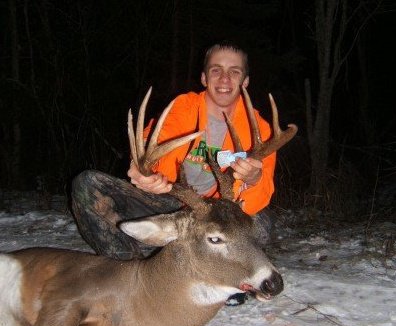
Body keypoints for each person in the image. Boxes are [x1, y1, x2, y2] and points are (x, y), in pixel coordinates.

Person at [71, 41, 275, 260]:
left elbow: (259, 197)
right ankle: (128, 268)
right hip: (171, 203)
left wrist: (254, 179)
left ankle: (204, 262)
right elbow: (153, 142)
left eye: (234, 72)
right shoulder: (182, 108)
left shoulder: (259, 129)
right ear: (204, 78)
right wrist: (146, 172)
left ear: (245, 82)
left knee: (263, 225)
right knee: (88, 185)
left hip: (217, 213)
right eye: (216, 70)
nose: (224, 79)